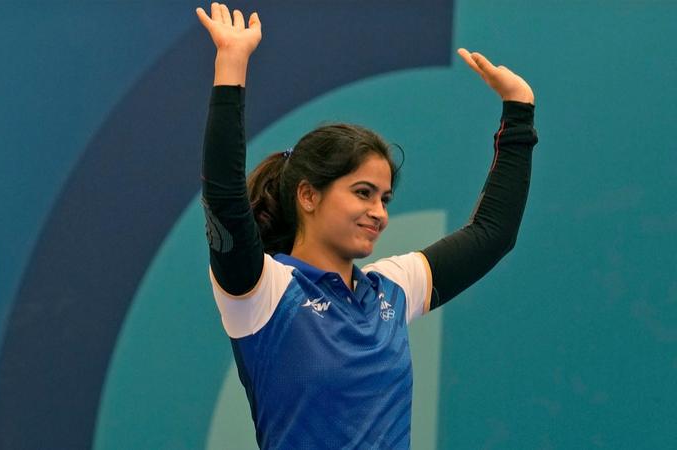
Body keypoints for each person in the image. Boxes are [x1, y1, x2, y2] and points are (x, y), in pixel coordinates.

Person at [196, 3, 538, 449]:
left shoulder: (391, 290)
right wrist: (231, 63)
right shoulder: (262, 292)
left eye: (384, 198)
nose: (379, 211)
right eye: (362, 193)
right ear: (308, 195)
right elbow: (223, 197)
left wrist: (520, 112)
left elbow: (493, 234)